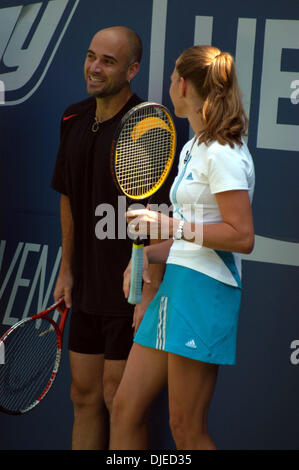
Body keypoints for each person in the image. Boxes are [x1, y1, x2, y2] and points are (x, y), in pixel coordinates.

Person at [109, 45, 255, 450]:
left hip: (205, 290)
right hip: (177, 284)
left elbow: (242, 236)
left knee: (186, 429)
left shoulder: (223, 152)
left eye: (173, 75)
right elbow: (191, 237)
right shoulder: (194, 147)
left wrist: (169, 224)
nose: (170, 82)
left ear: (184, 83)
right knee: (124, 406)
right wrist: (143, 257)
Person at [51, 26, 167, 450]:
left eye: (108, 61)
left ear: (133, 70)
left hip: (128, 287)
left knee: (116, 398)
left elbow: (161, 213)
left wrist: (147, 285)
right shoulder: (72, 117)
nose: (94, 68)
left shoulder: (149, 126)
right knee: (83, 395)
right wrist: (67, 269)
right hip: (84, 288)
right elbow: (67, 196)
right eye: (90, 56)